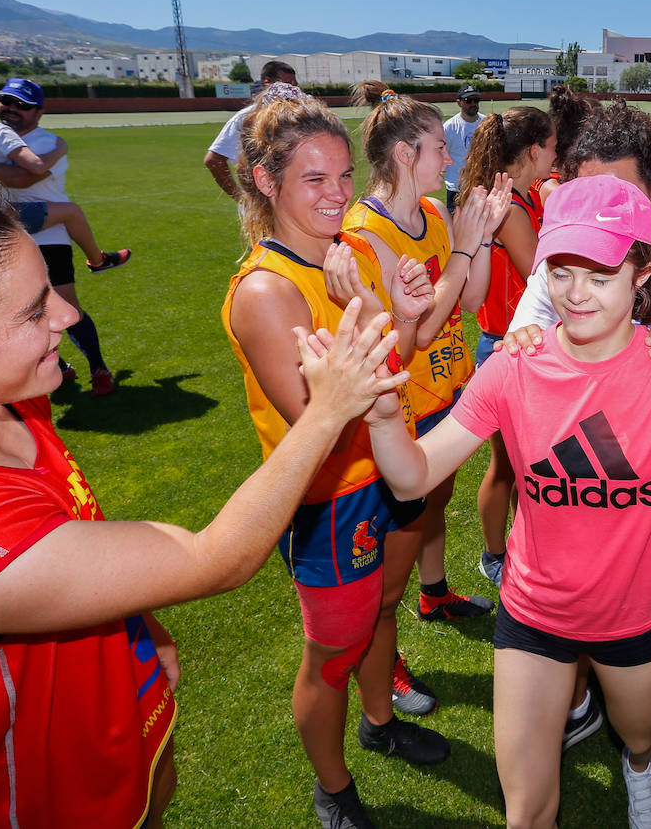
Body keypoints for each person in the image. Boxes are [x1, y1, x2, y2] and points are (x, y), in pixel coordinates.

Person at [0, 174, 405, 827]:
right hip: (31, 799)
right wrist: (327, 411)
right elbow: (214, 557)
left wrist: (139, 629)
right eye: (34, 312)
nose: (68, 316)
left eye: (50, 291)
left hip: (106, 732)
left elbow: (72, 530)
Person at [363, 174, 651, 829]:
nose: (576, 294)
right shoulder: (513, 365)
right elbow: (412, 479)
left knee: (641, 733)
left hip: (636, 610)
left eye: (600, 276)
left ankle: (639, 767)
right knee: (525, 812)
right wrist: (384, 415)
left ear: (641, 274)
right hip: (534, 610)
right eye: (560, 271)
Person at [221, 89, 445, 828]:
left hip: (388, 468)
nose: (337, 193)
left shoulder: (346, 256)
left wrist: (400, 316)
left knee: (383, 610)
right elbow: (320, 418)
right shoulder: (268, 290)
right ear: (265, 181)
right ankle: (334, 789)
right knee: (333, 652)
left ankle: (380, 723)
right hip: (330, 499)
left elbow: (392, 365)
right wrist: (378, 316)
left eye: (344, 175)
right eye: (314, 179)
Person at [344, 80, 505, 715]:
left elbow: (470, 299)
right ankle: (383, 661)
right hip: (398, 410)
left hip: (447, 390)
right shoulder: (364, 235)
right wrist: (464, 248)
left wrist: (480, 237)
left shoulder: (436, 213)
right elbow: (420, 332)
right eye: (440, 146)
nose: (450, 157)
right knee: (393, 541)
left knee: (432, 507)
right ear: (405, 154)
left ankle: (434, 593)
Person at [0, 78, 132, 396]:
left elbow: (23, 177)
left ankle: (98, 368)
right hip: (1, 232)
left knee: (67, 307)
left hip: (46, 235)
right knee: (18, 313)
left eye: (22, 105)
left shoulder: (43, 140)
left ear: (39, 113)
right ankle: (59, 366)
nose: (11, 108)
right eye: (6, 101)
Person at [456, 106, 556, 586]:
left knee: (527, 466)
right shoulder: (511, 208)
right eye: (552, 147)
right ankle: (494, 556)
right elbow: (545, 277)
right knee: (506, 468)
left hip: (524, 343)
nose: (555, 157)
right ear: (534, 150)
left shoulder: (524, 194)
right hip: (505, 348)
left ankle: (522, 546)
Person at [204, 60, 301, 201]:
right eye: (286, 83)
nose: (291, 90)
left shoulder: (299, 115)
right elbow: (213, 159)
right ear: (267, 84)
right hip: (262, 203)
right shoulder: (245, 118)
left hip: (295, 200)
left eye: (294, 85)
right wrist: (241, 198)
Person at [443, 85, 487, 212]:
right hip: (456, 188)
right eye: (468, 100)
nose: (473, 104)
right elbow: (443, 154)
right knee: (454, 223)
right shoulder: (449, 127)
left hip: (480, 187)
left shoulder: (486, 123)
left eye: (476, 100)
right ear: (459, 102)